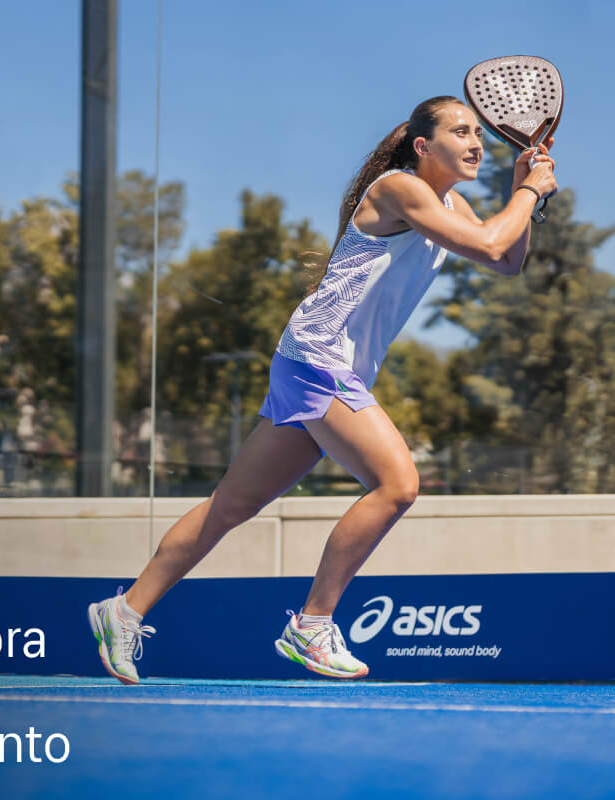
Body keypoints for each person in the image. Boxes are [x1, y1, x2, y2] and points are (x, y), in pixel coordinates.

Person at [88, 95, 557, 684]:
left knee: (230, 507)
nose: (475, 142)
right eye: (459, 132)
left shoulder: (452, 203)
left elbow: (506, 260)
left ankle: (122, 611)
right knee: (398, 484)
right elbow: (489, 243)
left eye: (478, 135)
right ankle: (312, 625)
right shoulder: (400, 188)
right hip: (319, 357)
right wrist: (531, 191)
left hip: (316, 363)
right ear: (422, 148)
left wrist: (521, 190)